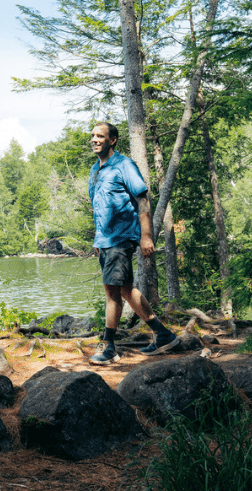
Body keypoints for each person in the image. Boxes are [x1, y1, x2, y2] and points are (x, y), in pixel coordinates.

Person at [88, 123, 178, 365]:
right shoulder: (95, 170)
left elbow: (142, 199)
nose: (95, 140)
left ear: (113, 140)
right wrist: (98, 238)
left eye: (100, 136)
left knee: (111, 292)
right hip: (105, 240)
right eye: (93, 136)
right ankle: (163, 334)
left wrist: (145, 236)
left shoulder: (124, 165)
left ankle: (108, 347)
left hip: (121, 238)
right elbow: (98, 206)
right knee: (126, 290)